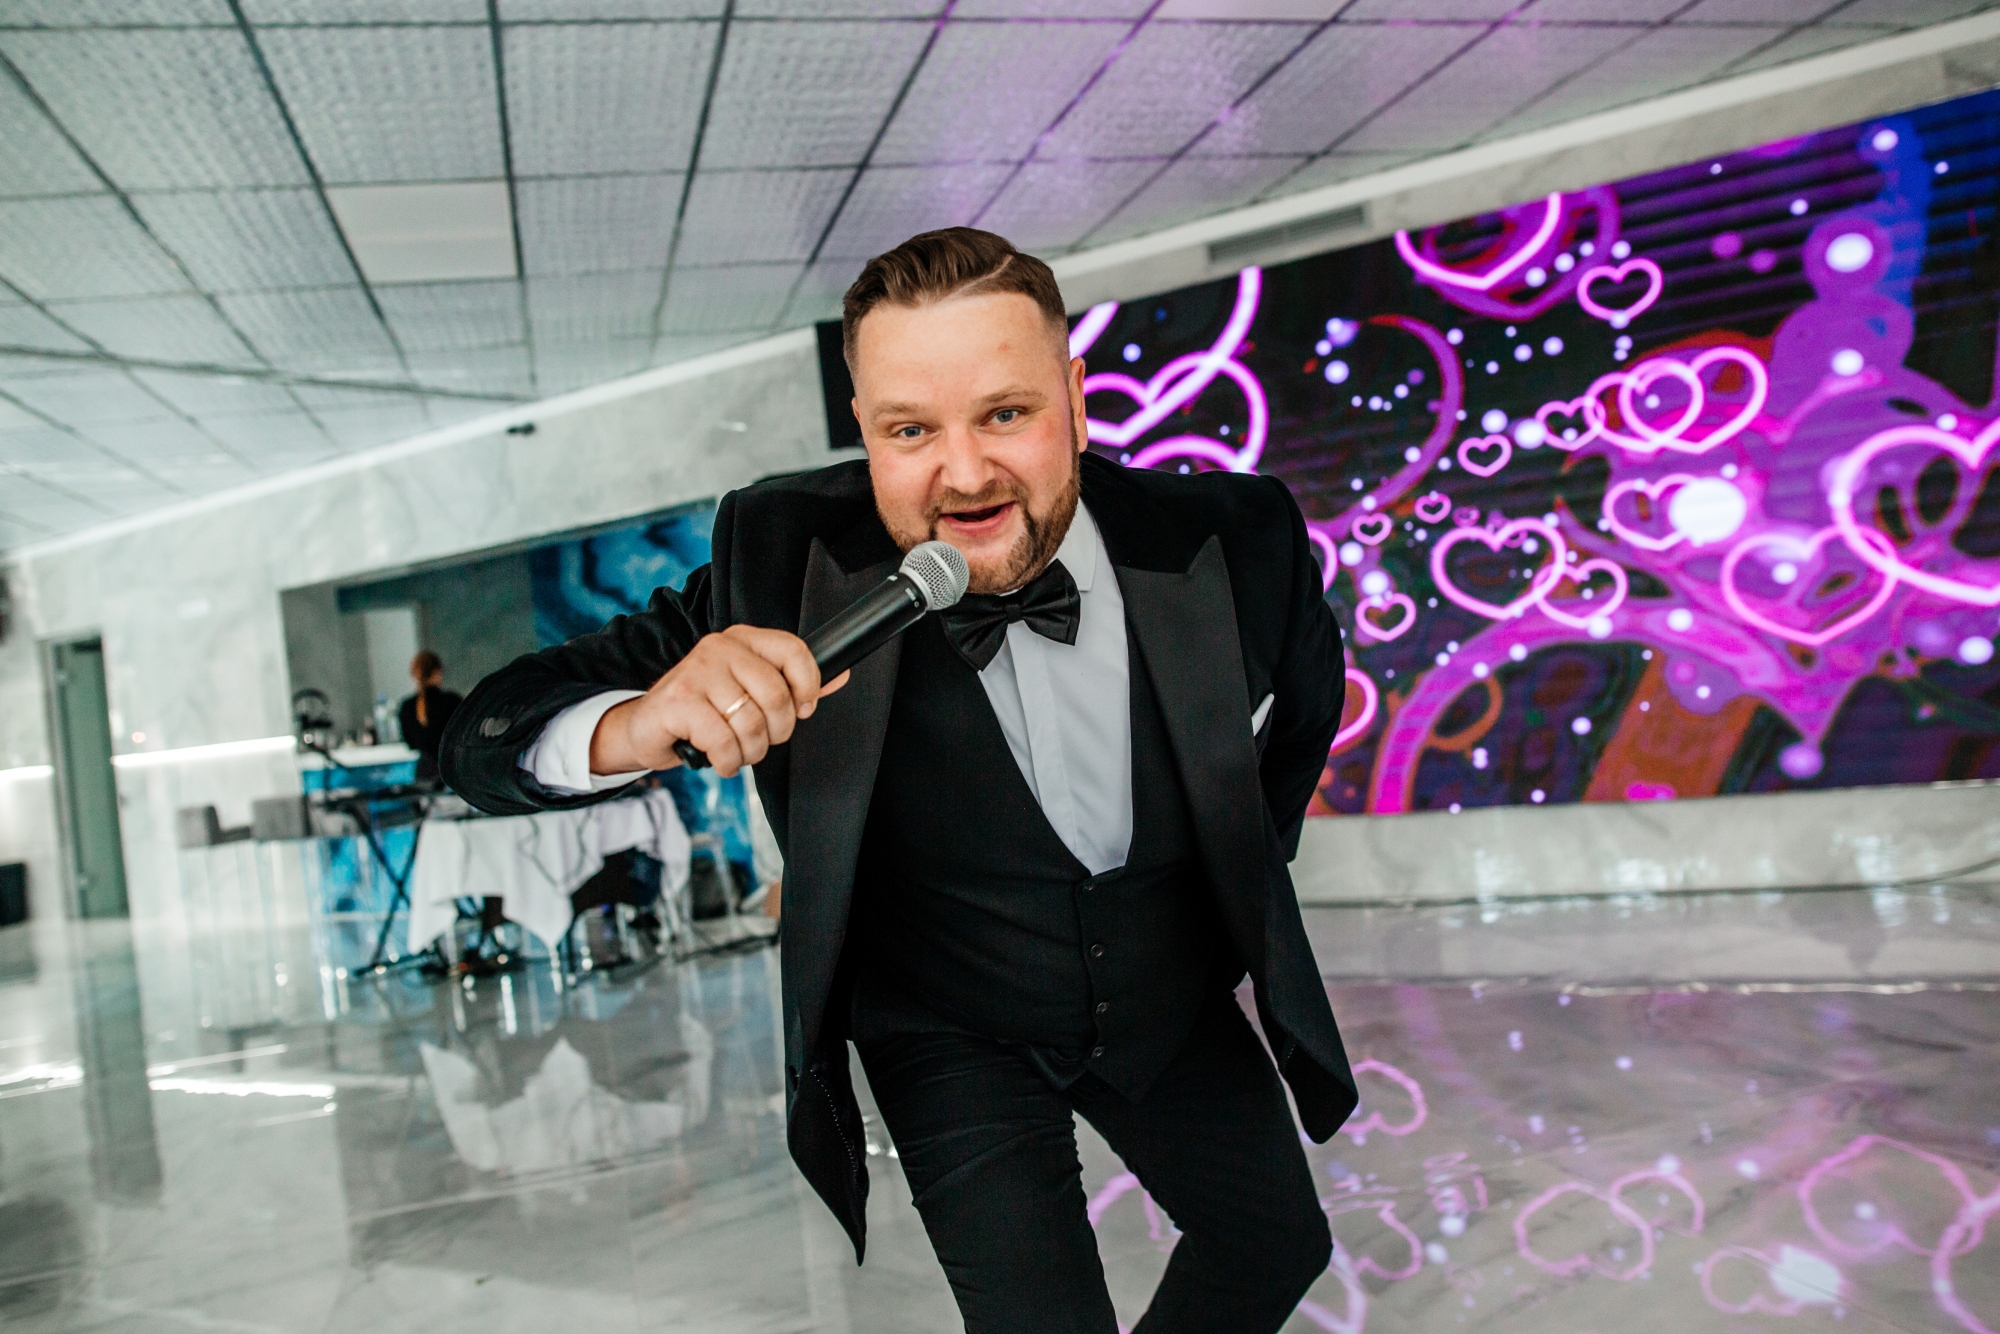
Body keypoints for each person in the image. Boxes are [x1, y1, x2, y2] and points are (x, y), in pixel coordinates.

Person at [441, 228, 1356, 1332]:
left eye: (1004, 413)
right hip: (944, 1019)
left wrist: (1217, 890)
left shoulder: (1237, 535)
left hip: (1167, 989)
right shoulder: (782, 558)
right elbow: (481, 737)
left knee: (1277, 1243)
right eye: (909, 429)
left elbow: (1302, 720)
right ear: (864, 428)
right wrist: (638, 722)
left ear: (1075, 400)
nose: (962, 475)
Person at [398, 650, 462, 781]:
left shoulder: (407, 707)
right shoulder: (452, 701)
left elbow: (410, 743)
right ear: (437, 673)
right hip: (452, 769)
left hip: (424, 773)